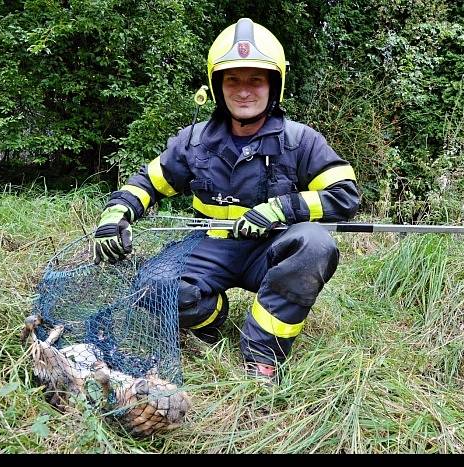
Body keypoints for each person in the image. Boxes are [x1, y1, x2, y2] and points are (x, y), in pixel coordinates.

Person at [93, 18, 360, 383]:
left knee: (315, 244)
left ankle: (264, 353)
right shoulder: (194, 141)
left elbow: (344, 195)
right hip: (209, 246)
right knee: (152, 288)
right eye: (233, 79)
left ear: (274, 85)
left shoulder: (301, 141)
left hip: (270, 249)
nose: (244, 91)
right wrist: (116, 212)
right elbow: (149, 183)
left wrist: (280, 208)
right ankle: (210, 316)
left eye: (256, 79)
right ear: (218, 85)